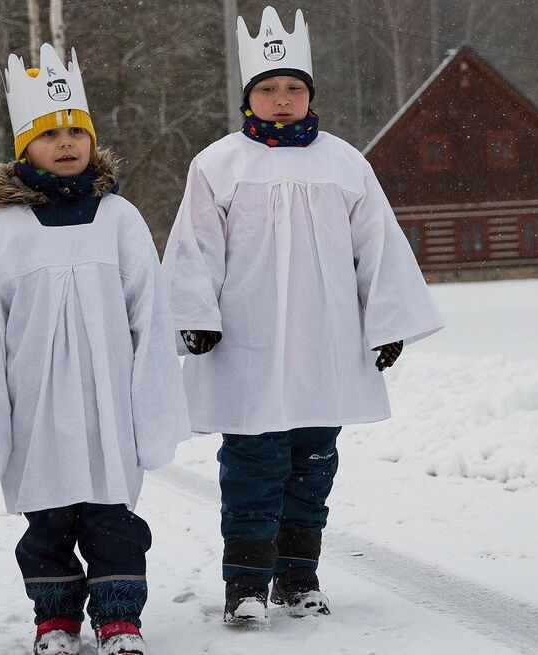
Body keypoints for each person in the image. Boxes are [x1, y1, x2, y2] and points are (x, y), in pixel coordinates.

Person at [161, 5, 445, 626]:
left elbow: (377, 243)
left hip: (324, 338)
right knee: (253, 465)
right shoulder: (217, 164)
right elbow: (195, 245)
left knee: (312, 463)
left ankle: (297, 577)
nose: (282, 99)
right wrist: (195, 313)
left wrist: (388, 321)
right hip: (249, 341)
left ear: (309, 94)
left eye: (293, 88)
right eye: (269, 89)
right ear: (249, 97)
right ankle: (245, 586)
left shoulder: (345, 162)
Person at [0, 43, 190, 655]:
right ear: (25, 147)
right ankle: (54, 619)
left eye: (78, 130)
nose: (68, 143)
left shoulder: (120, 219)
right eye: (52, 134)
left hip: (107, 402)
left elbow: (149, 317)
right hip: (37, 404)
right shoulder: (2, 232)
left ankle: (120, 619)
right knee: (47, 521)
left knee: (112, 519)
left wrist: (149, 404)